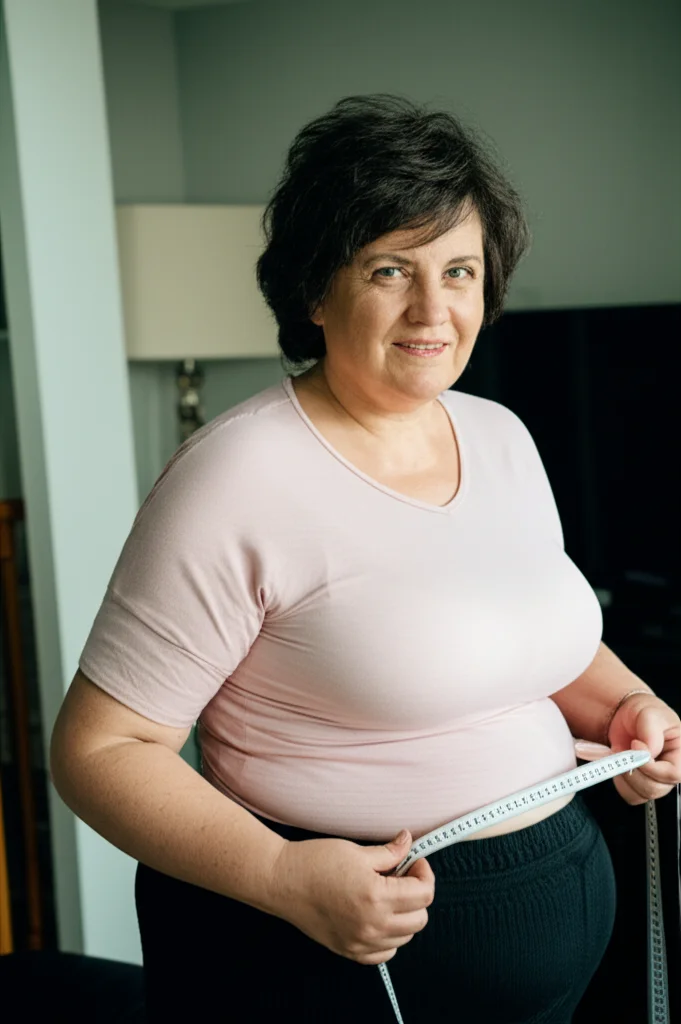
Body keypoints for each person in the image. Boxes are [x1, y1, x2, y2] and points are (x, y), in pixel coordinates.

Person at [51, 94, 681, 1023]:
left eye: (459, 270)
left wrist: (628, 704)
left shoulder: (499, 434)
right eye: (391, 269)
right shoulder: (238, 475)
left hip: (553, 926)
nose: (434, 309)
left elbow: (524, 641)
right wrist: (281, 875)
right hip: (320, 963)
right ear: (315, 289)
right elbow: (99, 750)